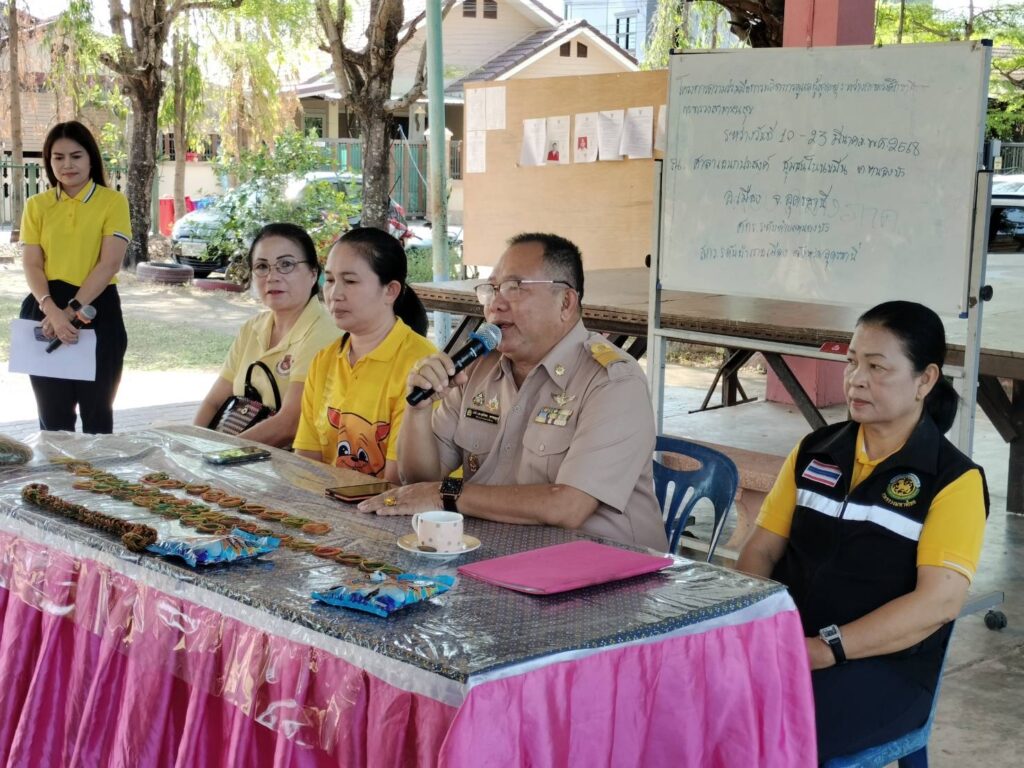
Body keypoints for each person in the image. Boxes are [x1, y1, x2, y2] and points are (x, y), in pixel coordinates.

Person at [736, 300, 989, 762]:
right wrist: (760, 627)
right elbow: (761, 550)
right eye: (852, 362)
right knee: (685, 698)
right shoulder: (815, 451)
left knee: (769, 732)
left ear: (925, 380)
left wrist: (827, 649)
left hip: (885, 668)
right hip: (792, 643)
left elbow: (939, 602)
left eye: (877, 367)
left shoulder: (952, 481)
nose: (856, 379)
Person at [359, 232, 669, 552]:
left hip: (608, 565)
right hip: (502, 553)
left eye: (515, 287)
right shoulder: (477, 368)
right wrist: (419, 410)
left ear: (565, 302)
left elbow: (567, 507)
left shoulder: (613, 382)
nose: (496, 303)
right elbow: (419, 482)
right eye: (492, 289)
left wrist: (446, 494)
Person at [293, 227, 435, 483]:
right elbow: (306, 464)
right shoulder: (324, 360)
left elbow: (395, 484)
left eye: (350, 281)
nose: (334, 294)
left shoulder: (421, 367)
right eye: (330, 280)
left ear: (390, 291)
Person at [19, 121, 131, 434]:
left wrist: (70, 312)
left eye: (76, 156)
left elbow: (109, 264)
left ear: (91, 158)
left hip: (97, 309)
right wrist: (53, 312)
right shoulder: (36, 205)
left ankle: (96, 470)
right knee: (53, 419)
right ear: (49, 161)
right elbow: (32, 264)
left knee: (97, 416)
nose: (67, 164)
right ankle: (56, 470)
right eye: (58, 157)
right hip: (45, 311)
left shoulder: (113, 202)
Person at [194, 223, 340, 447]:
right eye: (262, 266)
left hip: (289, 462)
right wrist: (192, 446)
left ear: (313, 273)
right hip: (235, 455)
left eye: (286, 265)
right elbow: (214, 402)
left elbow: (290, 424)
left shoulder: (325, 332)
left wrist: (219, 453)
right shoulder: (252, 328)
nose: (272, 277)